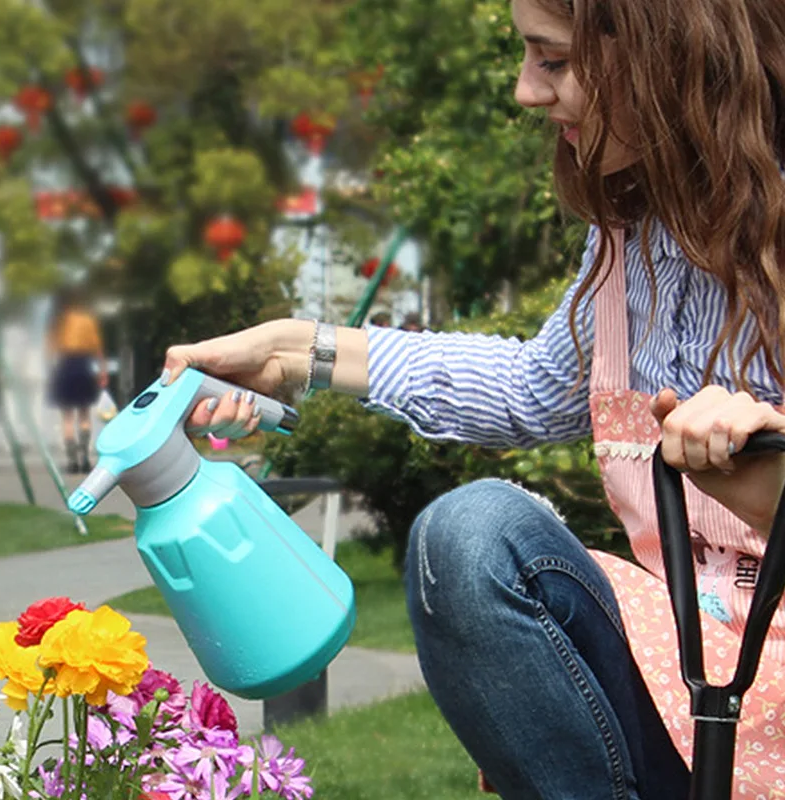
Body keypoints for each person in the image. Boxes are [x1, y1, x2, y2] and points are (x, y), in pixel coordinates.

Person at [159, 0, 785, 796]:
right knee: (468, 536)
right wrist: (295, 350)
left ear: (673, 51)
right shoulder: (635, 237)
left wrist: (773, 497)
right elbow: (531, 389)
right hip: (689, 694)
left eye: (553, 61)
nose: (527, 91)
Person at [46, 287, 108, 473]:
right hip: (84, 364)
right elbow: (97, 347)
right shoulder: (88, 320)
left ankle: (72, 460)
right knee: (84, 414)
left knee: (67, 417)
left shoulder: (59, 322)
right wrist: (102, 370)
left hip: (65, 364)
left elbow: (50, 349)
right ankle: (84, 457)